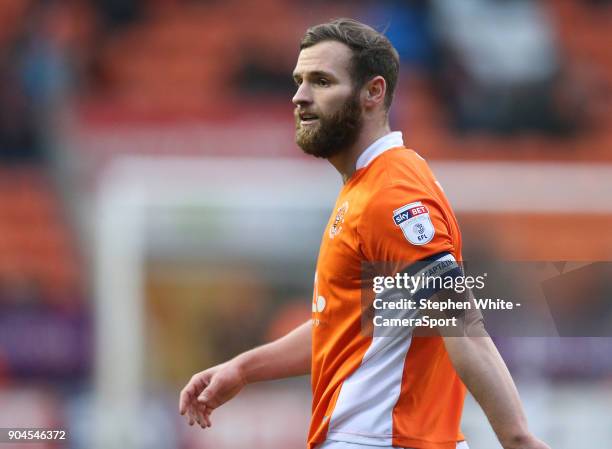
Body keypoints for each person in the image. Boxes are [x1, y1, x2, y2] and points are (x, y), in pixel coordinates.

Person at [179, 18, 551, 449]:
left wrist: (518, 439)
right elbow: (345, 323)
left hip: (381, 438)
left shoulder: (391, 194)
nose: (299, 97)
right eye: (299, 81)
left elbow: (460, 322)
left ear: (373, 93)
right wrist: (244, 368)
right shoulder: (369, 186)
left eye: (321, 81)